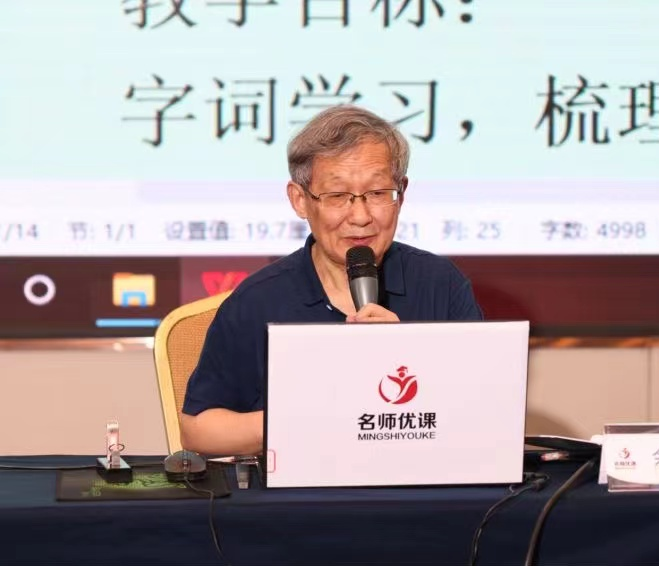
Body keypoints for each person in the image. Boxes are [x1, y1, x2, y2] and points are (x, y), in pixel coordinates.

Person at [180, 105, 484, 456]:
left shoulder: (441, 285)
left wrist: (406, 356)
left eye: (377, 193)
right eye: (337, 196)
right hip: (302, 489)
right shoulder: (258, 300)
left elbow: (483, 411)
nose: (360, 216)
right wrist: (312, 420)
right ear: (299, 200)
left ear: (401, 193)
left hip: (418, 483)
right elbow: (198, 432)